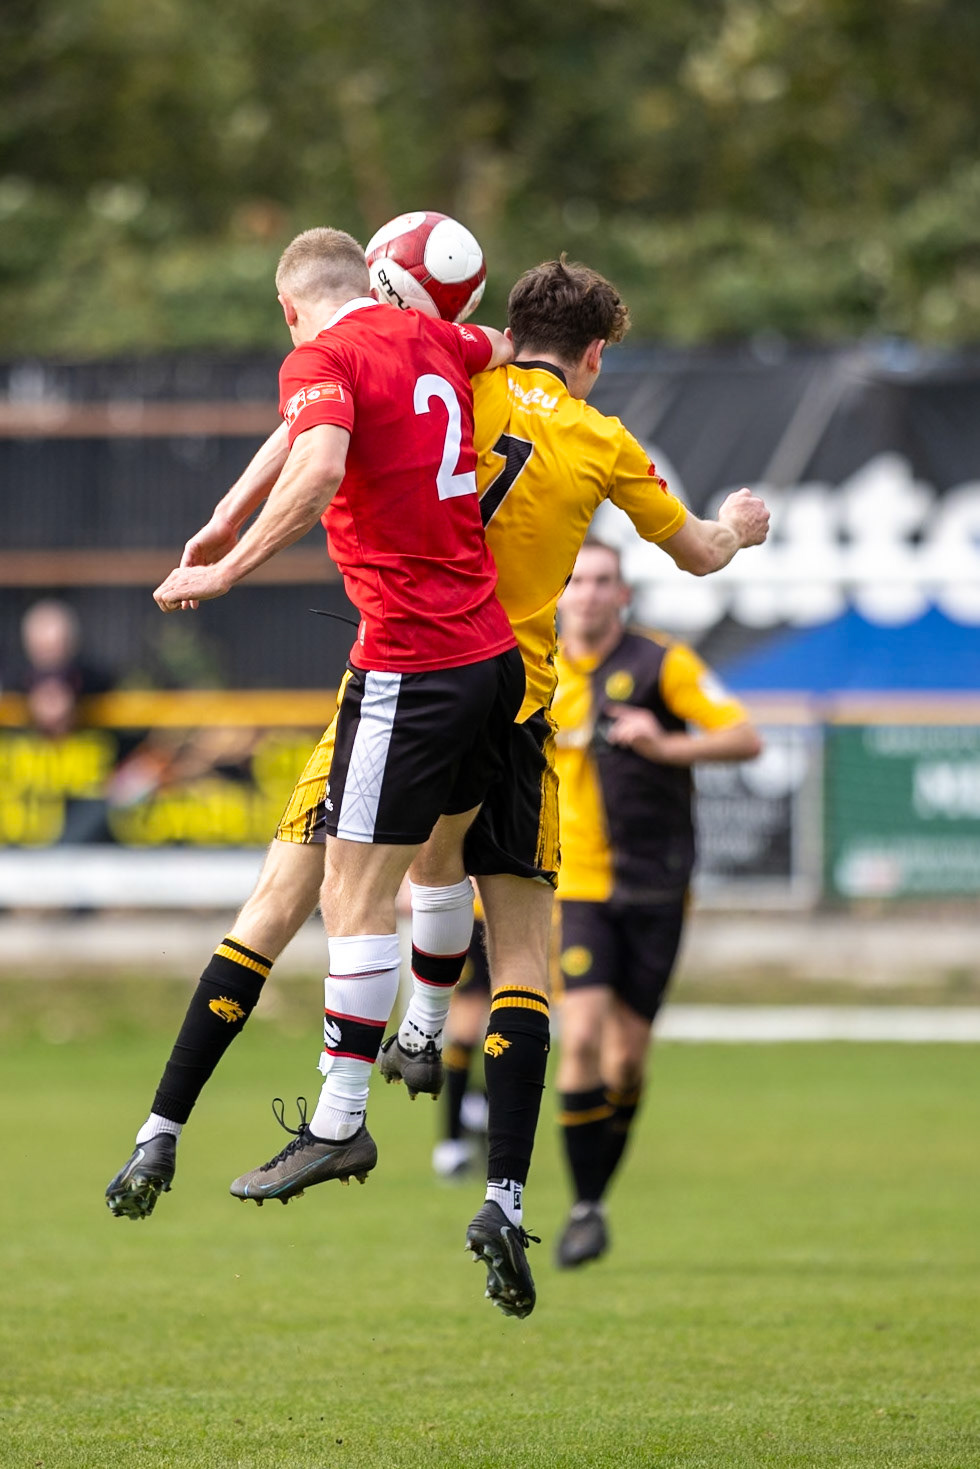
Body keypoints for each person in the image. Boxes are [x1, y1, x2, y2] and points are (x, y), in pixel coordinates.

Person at [106, 250, 770, 1321]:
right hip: (518, 696)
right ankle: (501, 1187)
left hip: (410, 666)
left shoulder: (449, 368)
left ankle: (192, 1124)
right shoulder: (600, 438)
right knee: (518, 952)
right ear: (595, 355)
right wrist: (739, 524)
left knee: (294, 901)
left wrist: (227, 534)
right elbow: (697, 552)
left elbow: (320, 420)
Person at [107, 223, 523, 1227]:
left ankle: (340, 1118)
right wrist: (229, 502)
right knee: (439, 859)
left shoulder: (322, 356)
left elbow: (322, 458)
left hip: (409, 663)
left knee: (347, 891)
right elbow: (497, 347)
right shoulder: (432, 341)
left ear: (291, 306)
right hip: (490, 655)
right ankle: (422, 1029)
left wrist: (229, 561)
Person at [551, 539, 763, 1268]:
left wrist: (663, 745)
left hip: (656, 884)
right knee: (577, 1034)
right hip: (575, 884)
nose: (587, 593)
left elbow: (745, 737)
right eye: (575, 580)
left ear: (624, 595)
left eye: (603, 580)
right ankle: (581, 1205)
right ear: (559, 592)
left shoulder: (660, 664)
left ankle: (595, 1199)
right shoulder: (534, 670)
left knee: (627, 1060)